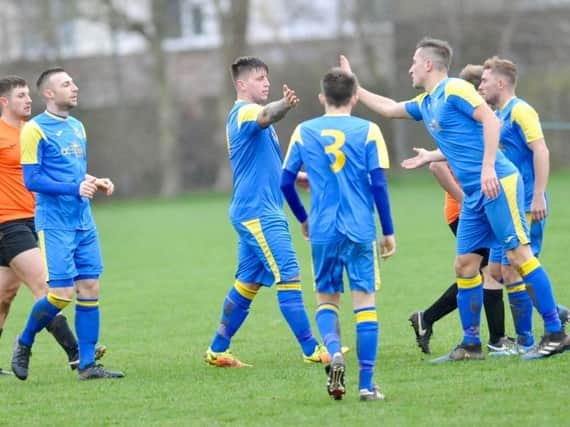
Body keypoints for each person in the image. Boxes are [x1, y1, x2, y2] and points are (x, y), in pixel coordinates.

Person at [340, 37, 569, 361]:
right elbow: (390, 109)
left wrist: (489, 166)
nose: (410, 68)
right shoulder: (428, 101)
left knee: (518, 255)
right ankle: (471, 344)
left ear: (429, 65)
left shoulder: (455, 89)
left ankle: (556, 333)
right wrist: (355, 87)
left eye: (414, 62)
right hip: (475, 195)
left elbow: (491, 120)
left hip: (498, 183)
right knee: (464, 265)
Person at [204, 56, 329, 368]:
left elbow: (263, 162)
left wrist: (297, 178)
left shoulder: (253, 119)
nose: (266, 83)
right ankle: (313, 350)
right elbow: (265, 114)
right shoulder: (245, 113)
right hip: (258, 212)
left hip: (256, 209)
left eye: (267, 78)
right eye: (260, 78)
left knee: (248, 282)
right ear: (241, 84)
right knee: (289, 275)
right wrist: (284, 105)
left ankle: (217, 350)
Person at [281, 67, 395, 401]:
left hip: (324, 229)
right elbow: (379, 184)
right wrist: (387, 230)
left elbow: (285, 182)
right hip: (360, 228)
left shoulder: (304, 131)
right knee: (365, 305)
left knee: (327, 299)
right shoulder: (369, 130)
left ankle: (333, 351)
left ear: (321, 98)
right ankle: (366, 385)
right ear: (355, 97)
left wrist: (304, 217)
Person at [11, 68, 123, 380]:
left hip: (83, 220)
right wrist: (75, 188)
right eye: (66, 84)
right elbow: (32, 180)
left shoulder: (77, 127)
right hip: (55, 222)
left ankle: (87, 365)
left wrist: (93, 180)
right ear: (48, 93)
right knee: (60, 293)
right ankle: (24, 341)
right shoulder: (34, 130)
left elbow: (72, 174)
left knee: (90, 287)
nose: (75, 87)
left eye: (73, 82)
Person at [408, 65, 513, 355]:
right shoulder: (452, 109)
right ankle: (497, 338)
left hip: (482, 200)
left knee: (485, 271)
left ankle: (486, 337)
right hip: (466, 208)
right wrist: (465, 198)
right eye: (478, 85)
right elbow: (438, 165)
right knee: (488, 271)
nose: (481, 90)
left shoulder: (468, 117)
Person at [479, 56, 569, 354]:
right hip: (506, 203)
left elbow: (540, 150)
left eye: (485, 81)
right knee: (496, 270)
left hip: (527, 202)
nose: (481, 86)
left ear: (501, 83)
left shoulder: (521, 110)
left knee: (519, 267)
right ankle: (555, 314)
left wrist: (539, 194)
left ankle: (537, 337)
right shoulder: (498, 114)